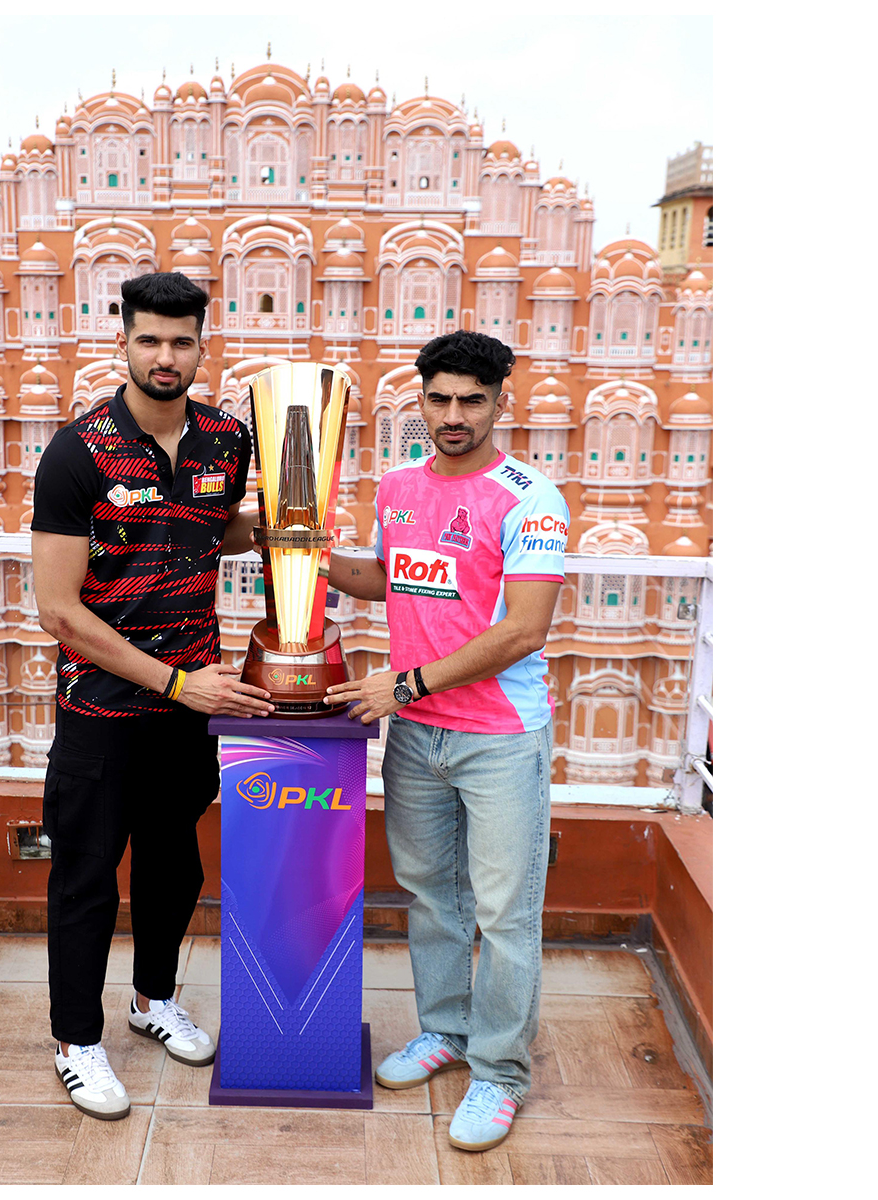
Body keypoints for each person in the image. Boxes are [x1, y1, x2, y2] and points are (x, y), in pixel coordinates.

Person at [30, 271, 274, 1120]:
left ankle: (151, 1001)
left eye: (181, 342)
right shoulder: (78, 451)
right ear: (123, 343)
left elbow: (214, 523)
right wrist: (174, 679)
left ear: (202, 348)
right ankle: (76, 1040)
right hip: (104, 708)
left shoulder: (225, 439)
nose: (165, 356)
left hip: (190, 708)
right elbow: (59, 607)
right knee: (88, 877)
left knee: (174, 868)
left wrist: (291, 521)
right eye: (149, 340)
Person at [322, 330, 568, 1152]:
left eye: (472, 400)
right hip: (417, 736)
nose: (454, 415)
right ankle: (447, 1032)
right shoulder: (398, 487)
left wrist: (405, 685)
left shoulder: (530, 495)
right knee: (431, 897)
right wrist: (307, 553)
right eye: (440, 398)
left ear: (500, 403)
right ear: (419, 400)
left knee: (503, 915)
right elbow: (387, 577)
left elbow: (525, 630)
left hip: (499, 737)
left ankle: (499, 1074)